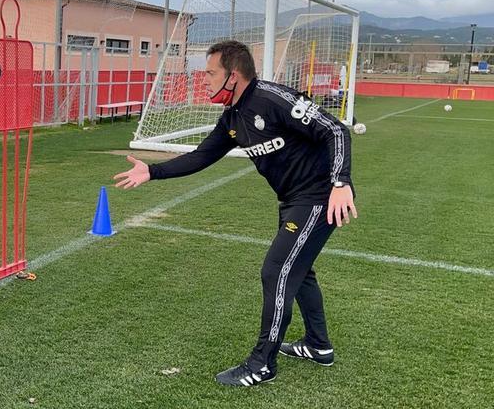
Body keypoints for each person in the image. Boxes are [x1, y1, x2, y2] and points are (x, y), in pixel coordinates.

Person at [114, 40, 357, 386]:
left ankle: (262, 363)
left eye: (212, 73)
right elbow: (200, 156)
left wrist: (340, 182)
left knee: (276, 271)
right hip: (293, 199)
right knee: (299, 271)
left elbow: (335, 130)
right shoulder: (232, 117)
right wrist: (152, 171)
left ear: (234, 75)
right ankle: (319, 346)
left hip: (320, 196)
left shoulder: (273, 100)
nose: (206, 80)